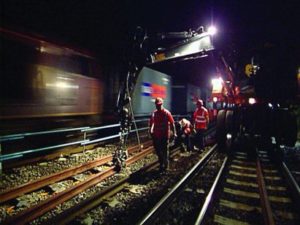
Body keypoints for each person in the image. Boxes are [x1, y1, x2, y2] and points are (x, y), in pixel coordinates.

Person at [149, 97, 177, 171]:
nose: (158, 106)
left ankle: (165, 164)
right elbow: (151, 124)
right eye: (157, 105)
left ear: (162, 104)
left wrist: (174, 133)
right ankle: (161, 163)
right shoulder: (154, 114)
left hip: (164, 136)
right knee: (158, 151)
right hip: (156, 136)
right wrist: (150, 131)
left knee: (164, 151)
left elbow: (172, 123)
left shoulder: (166, 113)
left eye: (159, 105)